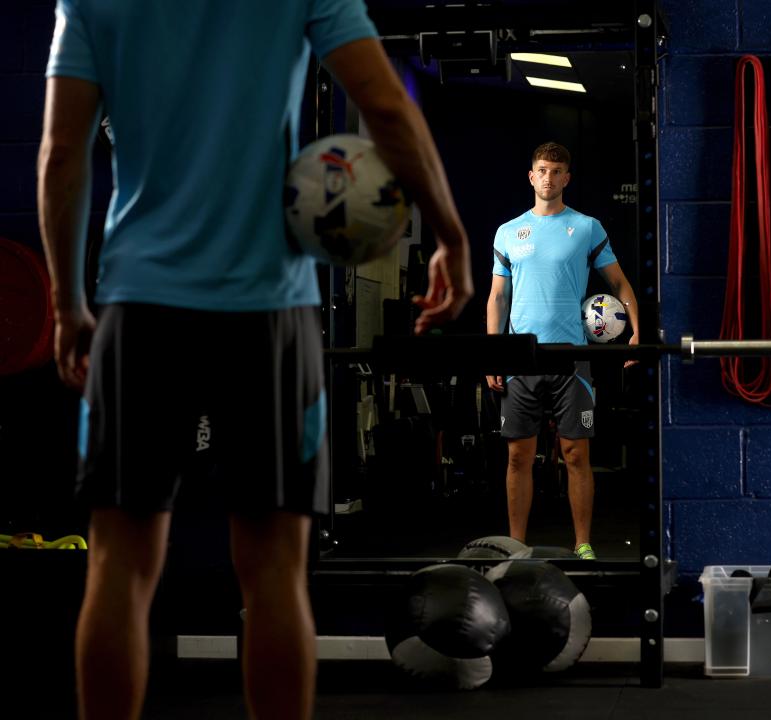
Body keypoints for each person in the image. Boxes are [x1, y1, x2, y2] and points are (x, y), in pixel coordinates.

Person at [38, 1, 472, 718]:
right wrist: (450, 235)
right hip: (268, 315)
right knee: (275, 573)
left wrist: (66, 305)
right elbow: (387, 107)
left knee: (117, 568)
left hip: (140, 311)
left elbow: (62, 152)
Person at [485, 142, 639, 561]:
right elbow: (497, 298)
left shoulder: (586, 227)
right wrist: (493, 353)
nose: (549, 178)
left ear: (566, 178)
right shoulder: (507, 232)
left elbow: (620, 285)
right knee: (519, 456)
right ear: (531, 176)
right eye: (542, 170)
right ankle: (516, 546)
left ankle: (583, 543)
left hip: (572, 356)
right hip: (521, 358)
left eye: (556, 171)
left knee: (575, 454)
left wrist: (636, 332)